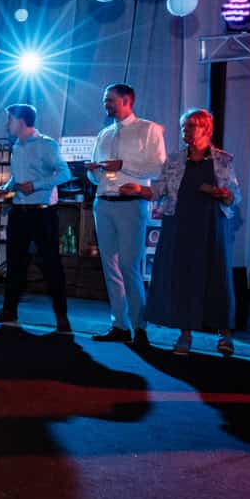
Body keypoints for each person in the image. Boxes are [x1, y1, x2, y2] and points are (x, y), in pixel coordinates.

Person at [143, 109, 241, 355]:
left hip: (211, 223)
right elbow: (159, 190)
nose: (185, 131)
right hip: (180, 223)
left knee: (216, 276)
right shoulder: (174, 160)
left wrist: (224, 194)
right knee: (183, 277)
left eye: (190, 127)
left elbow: (234, 195)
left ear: (205, 129)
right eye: (184, 126)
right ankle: (184, 334)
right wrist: (137, 189)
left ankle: (224, 334)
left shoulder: (223, 160)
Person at [87, 83, 166, 344]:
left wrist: (125, 165)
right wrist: (93, 169)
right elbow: (96, 172)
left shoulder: (148, 129)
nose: (105, 105)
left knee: (129, 266)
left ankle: (139, 326)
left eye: (109, 100)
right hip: (103, 201)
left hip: (131, 203)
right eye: (104, 101)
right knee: (110, 267)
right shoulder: (104, 134)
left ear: (126, 100)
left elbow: (158, 169)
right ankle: (119, 325)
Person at [0, 103, 73, 334]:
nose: (7, 124)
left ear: (21, 121)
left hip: (43, 212)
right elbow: (18, 175)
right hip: (19, 211)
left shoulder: (47, 144)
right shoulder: (18, 145)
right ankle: (9, 311)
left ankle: (62, 317)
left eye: (9, 120)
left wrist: (35, 185)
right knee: (15, 263)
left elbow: (65, 173)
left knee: (50, 265)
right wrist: (7, 187)